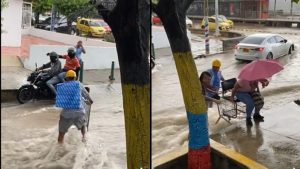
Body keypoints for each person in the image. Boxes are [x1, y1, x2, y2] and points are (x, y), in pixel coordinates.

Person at [56, 70, 93, 143]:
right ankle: (84, 140)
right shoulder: (79, 85)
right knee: (83, 127)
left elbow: (59, 101)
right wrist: (89, 102)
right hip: (79, 113)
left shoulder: (62, 87)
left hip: (66, 114)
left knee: (61, 134)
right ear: (75, 78)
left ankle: (59, 150)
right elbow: (89, 99)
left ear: (66, 78)